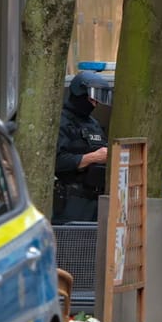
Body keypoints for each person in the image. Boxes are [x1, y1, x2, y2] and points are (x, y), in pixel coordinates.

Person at [53, 70, 113, 224]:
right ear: (79, 93)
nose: (95, 104)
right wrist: (92, 157)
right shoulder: (61, 122)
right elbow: (57, 162)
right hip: (71, 201)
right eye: (92, 98)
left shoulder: (93, 124)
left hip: (96, 200)